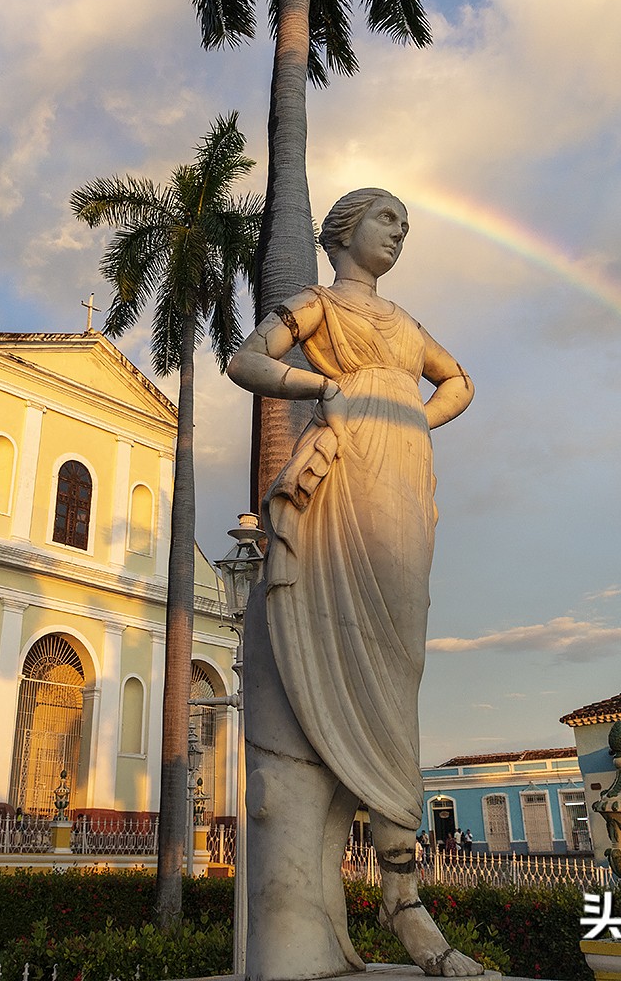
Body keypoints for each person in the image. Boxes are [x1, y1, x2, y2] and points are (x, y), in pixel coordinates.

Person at [228, 188, 477, 977]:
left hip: (402, 483)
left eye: (406, 225)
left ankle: (401, 895)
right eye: (386, 219)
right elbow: (246, 359)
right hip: (342, 479)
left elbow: (459, 384)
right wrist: (324, 391)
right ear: (344, 231)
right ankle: (399, 907)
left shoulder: (405, 323)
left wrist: (402, 417)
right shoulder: (316, 304)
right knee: (341, 643)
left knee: (399, 660)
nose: (399, 233)